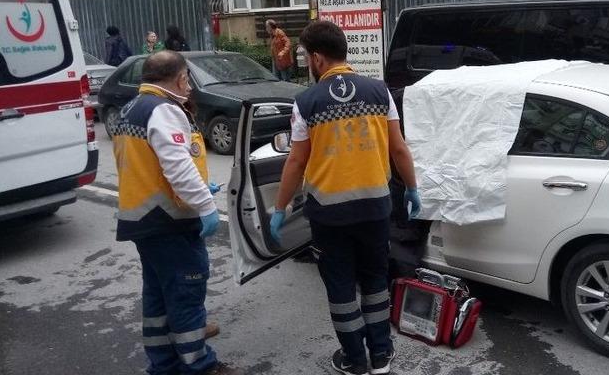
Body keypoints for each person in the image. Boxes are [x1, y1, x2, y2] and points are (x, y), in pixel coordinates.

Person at [271, 21, 421, 375]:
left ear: (318, 59)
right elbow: (398, 148)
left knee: (341, 289)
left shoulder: (306, 102)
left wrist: (279, 208)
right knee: (374, 283)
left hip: (329, 216)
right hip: (374, 210)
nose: (306, 61)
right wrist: (412, 188)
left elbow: (296, 160)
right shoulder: (378, 91)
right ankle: (381, 356)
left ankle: (356, 361)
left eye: (307, 56)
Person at [113, 50, 241, 375]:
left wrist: (198, 189)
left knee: (157, 297)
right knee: (186, 291)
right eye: (187, 79)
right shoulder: (164, 110)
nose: (188, 86)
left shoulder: (131, 109)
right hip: (168, 222)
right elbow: (177, 166)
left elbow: (150, 166)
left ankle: (163, 365)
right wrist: (205, 205)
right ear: (181, 78)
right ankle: (199, 365)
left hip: (143, 220)